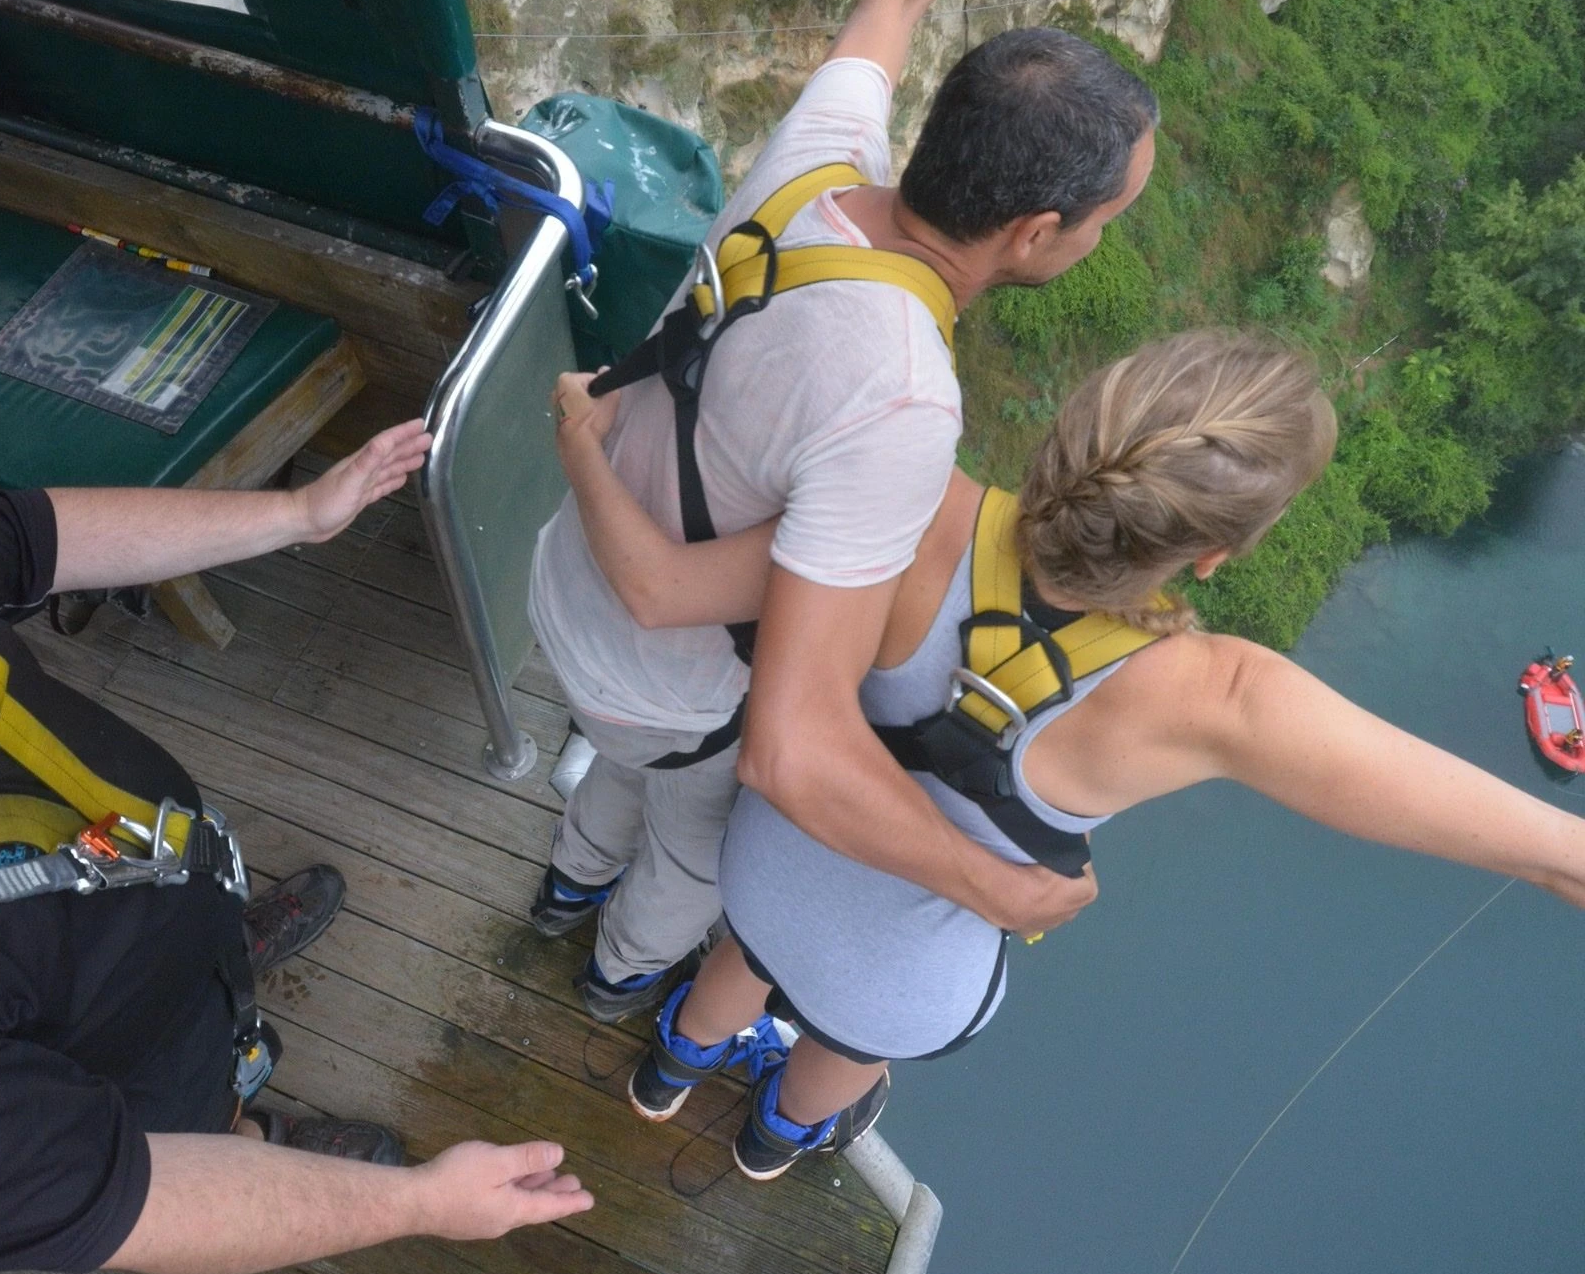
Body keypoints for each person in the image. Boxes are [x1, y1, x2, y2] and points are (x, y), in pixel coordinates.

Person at [555, 331, 1585, 1179]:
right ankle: (771, 1141)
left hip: (768, 861)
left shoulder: (911, 502)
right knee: (851, 1040)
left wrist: (581, 439)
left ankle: (667, 1073)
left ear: (1071, 429)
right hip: (893, 971)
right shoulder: (1216, 698)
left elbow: (675, 577)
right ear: (1222, 551)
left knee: (754, 950)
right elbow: (1549, 850)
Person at [529, 0, 1160, 1022]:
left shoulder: (812, 167)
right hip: (661, 675)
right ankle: (611, 977)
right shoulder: (907, 404)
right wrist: (996, 888)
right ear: (1034, 233)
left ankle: (562, 883)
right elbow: (786, 739)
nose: (1099, 240)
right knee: (692, 850)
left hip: (565, 593)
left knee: (616, 777)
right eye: (1103, 221)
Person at [0, 424, 592, 1274]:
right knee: (195, 1119)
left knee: (206, 938)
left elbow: (26, 541)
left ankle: (226, 950)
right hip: (116, 1055)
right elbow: (134, 1198)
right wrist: (419, 1203)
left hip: (155, 873)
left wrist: (297, 513)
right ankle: (258, 1130)